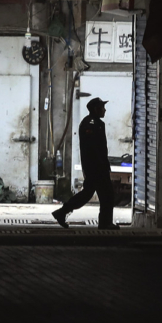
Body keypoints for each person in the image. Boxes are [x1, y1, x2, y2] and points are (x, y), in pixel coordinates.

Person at [52, 97, 119, 229]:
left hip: (97, 166)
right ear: (95, 109)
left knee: (88, 194)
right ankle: (105, 223)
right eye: (102, 107)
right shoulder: (91, 124)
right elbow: (92, 148)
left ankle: (62, 212)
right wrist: (100, 166)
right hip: (95, 167)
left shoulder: (97, 123)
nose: (104, 110)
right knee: (106, 195)